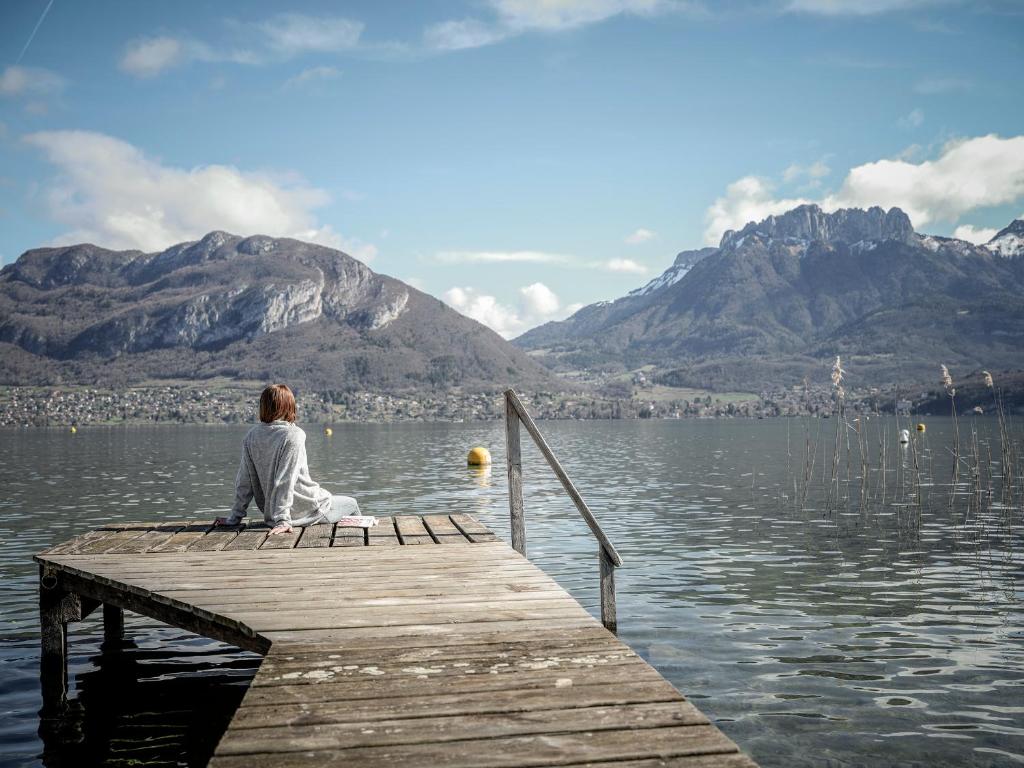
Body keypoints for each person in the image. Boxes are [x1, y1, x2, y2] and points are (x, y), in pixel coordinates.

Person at [213, 383, 359, 535]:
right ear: (289, 406)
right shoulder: (293, 435)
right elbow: (286, 479)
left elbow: (244, 481)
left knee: (331, 498)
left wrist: (235, 517)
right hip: (307, 510)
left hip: (272, 514)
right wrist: (283, 519)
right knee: (352, 504)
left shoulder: (252, 436)